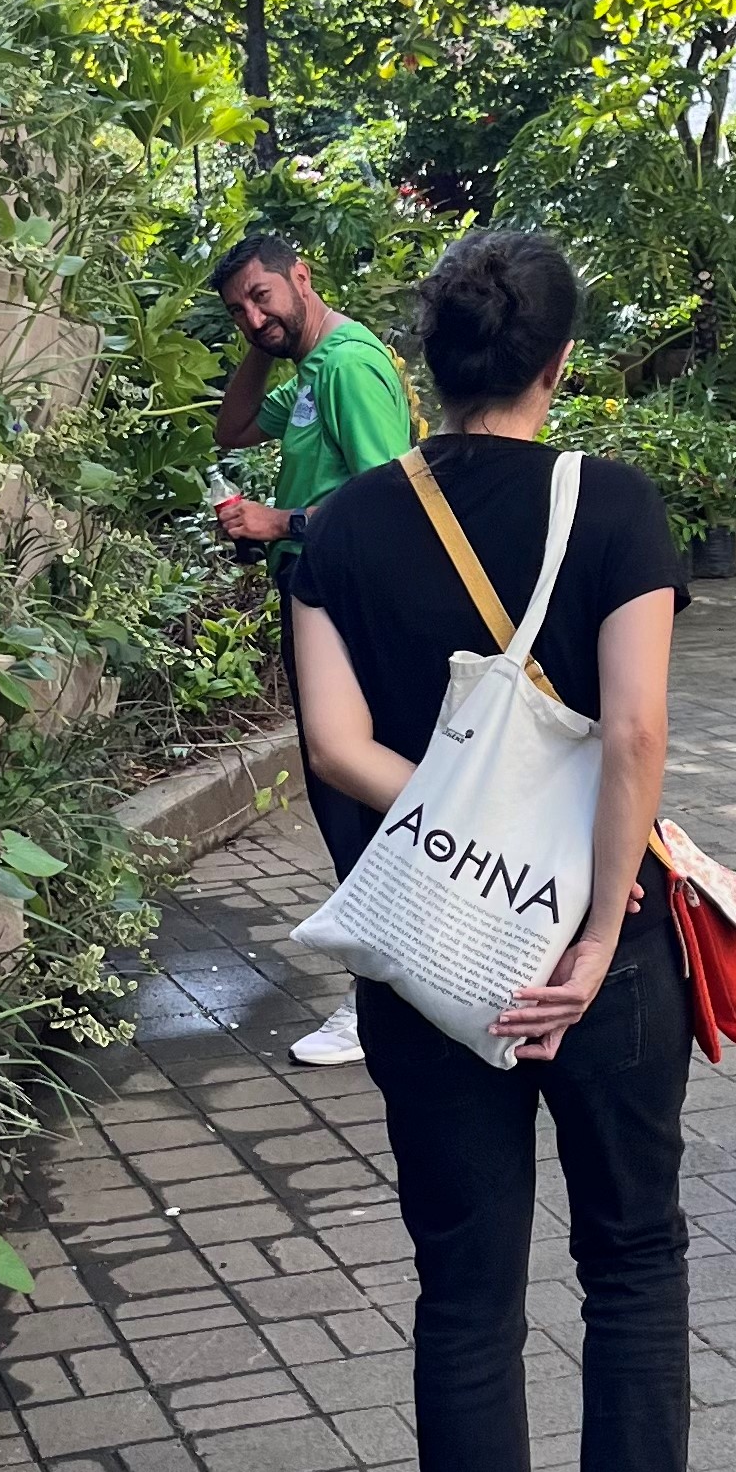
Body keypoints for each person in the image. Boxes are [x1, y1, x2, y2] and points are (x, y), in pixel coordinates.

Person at [292, 229, 736, 1472]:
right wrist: (595, 924)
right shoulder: (612, 503)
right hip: (602, 950)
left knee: (465, 1290)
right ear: (560, 361)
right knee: (632, 1251)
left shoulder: (339, 526)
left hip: (434, 956)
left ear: (427, 362)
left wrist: (468, 840)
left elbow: (336, 746)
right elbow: (635, 732)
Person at [207, 231, 416, 1066]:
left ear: (302, 275)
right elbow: (231, 429)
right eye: (238, 311)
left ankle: (382, 1004)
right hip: (318, 597)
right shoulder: (308, 369)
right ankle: (393, 989)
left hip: (349, 609)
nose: (253, 318)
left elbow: (394, 501)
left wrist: (279, 521)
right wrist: (261, 342)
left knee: (351, 800)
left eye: (262, 297)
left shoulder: (348, 366)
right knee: (345, 802)